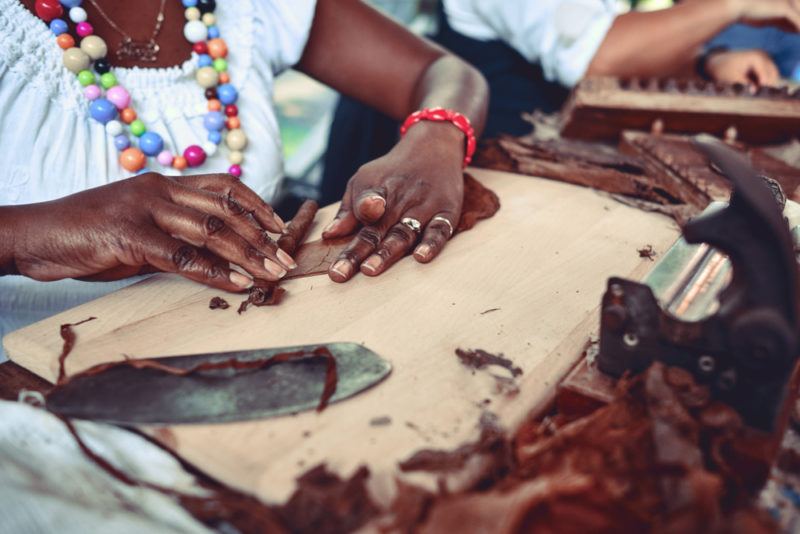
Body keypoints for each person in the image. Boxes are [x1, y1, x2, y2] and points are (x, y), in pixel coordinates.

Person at [0, 0, 489, 360]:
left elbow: (442, 70)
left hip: (261, 350)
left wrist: (437, 138)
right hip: (41, 386)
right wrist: (29, 235)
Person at [320, 0, 800, 205]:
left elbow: (608, 33)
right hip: (474, 168)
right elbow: (597, 55)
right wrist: (732, 6)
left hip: (543, 161)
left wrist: (708, 62)